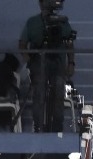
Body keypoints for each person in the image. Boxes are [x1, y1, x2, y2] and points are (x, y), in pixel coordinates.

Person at [19, 0, 75, 133]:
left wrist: (71, 63)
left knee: (59, 91)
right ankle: (38, 127)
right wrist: (29, 62)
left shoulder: (62, 22)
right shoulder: (32, 22)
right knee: (39, 93)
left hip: (58, 64)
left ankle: (57, 130)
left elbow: (69, 44)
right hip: (38, 64)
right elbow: (22, 44)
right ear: (40, 4)